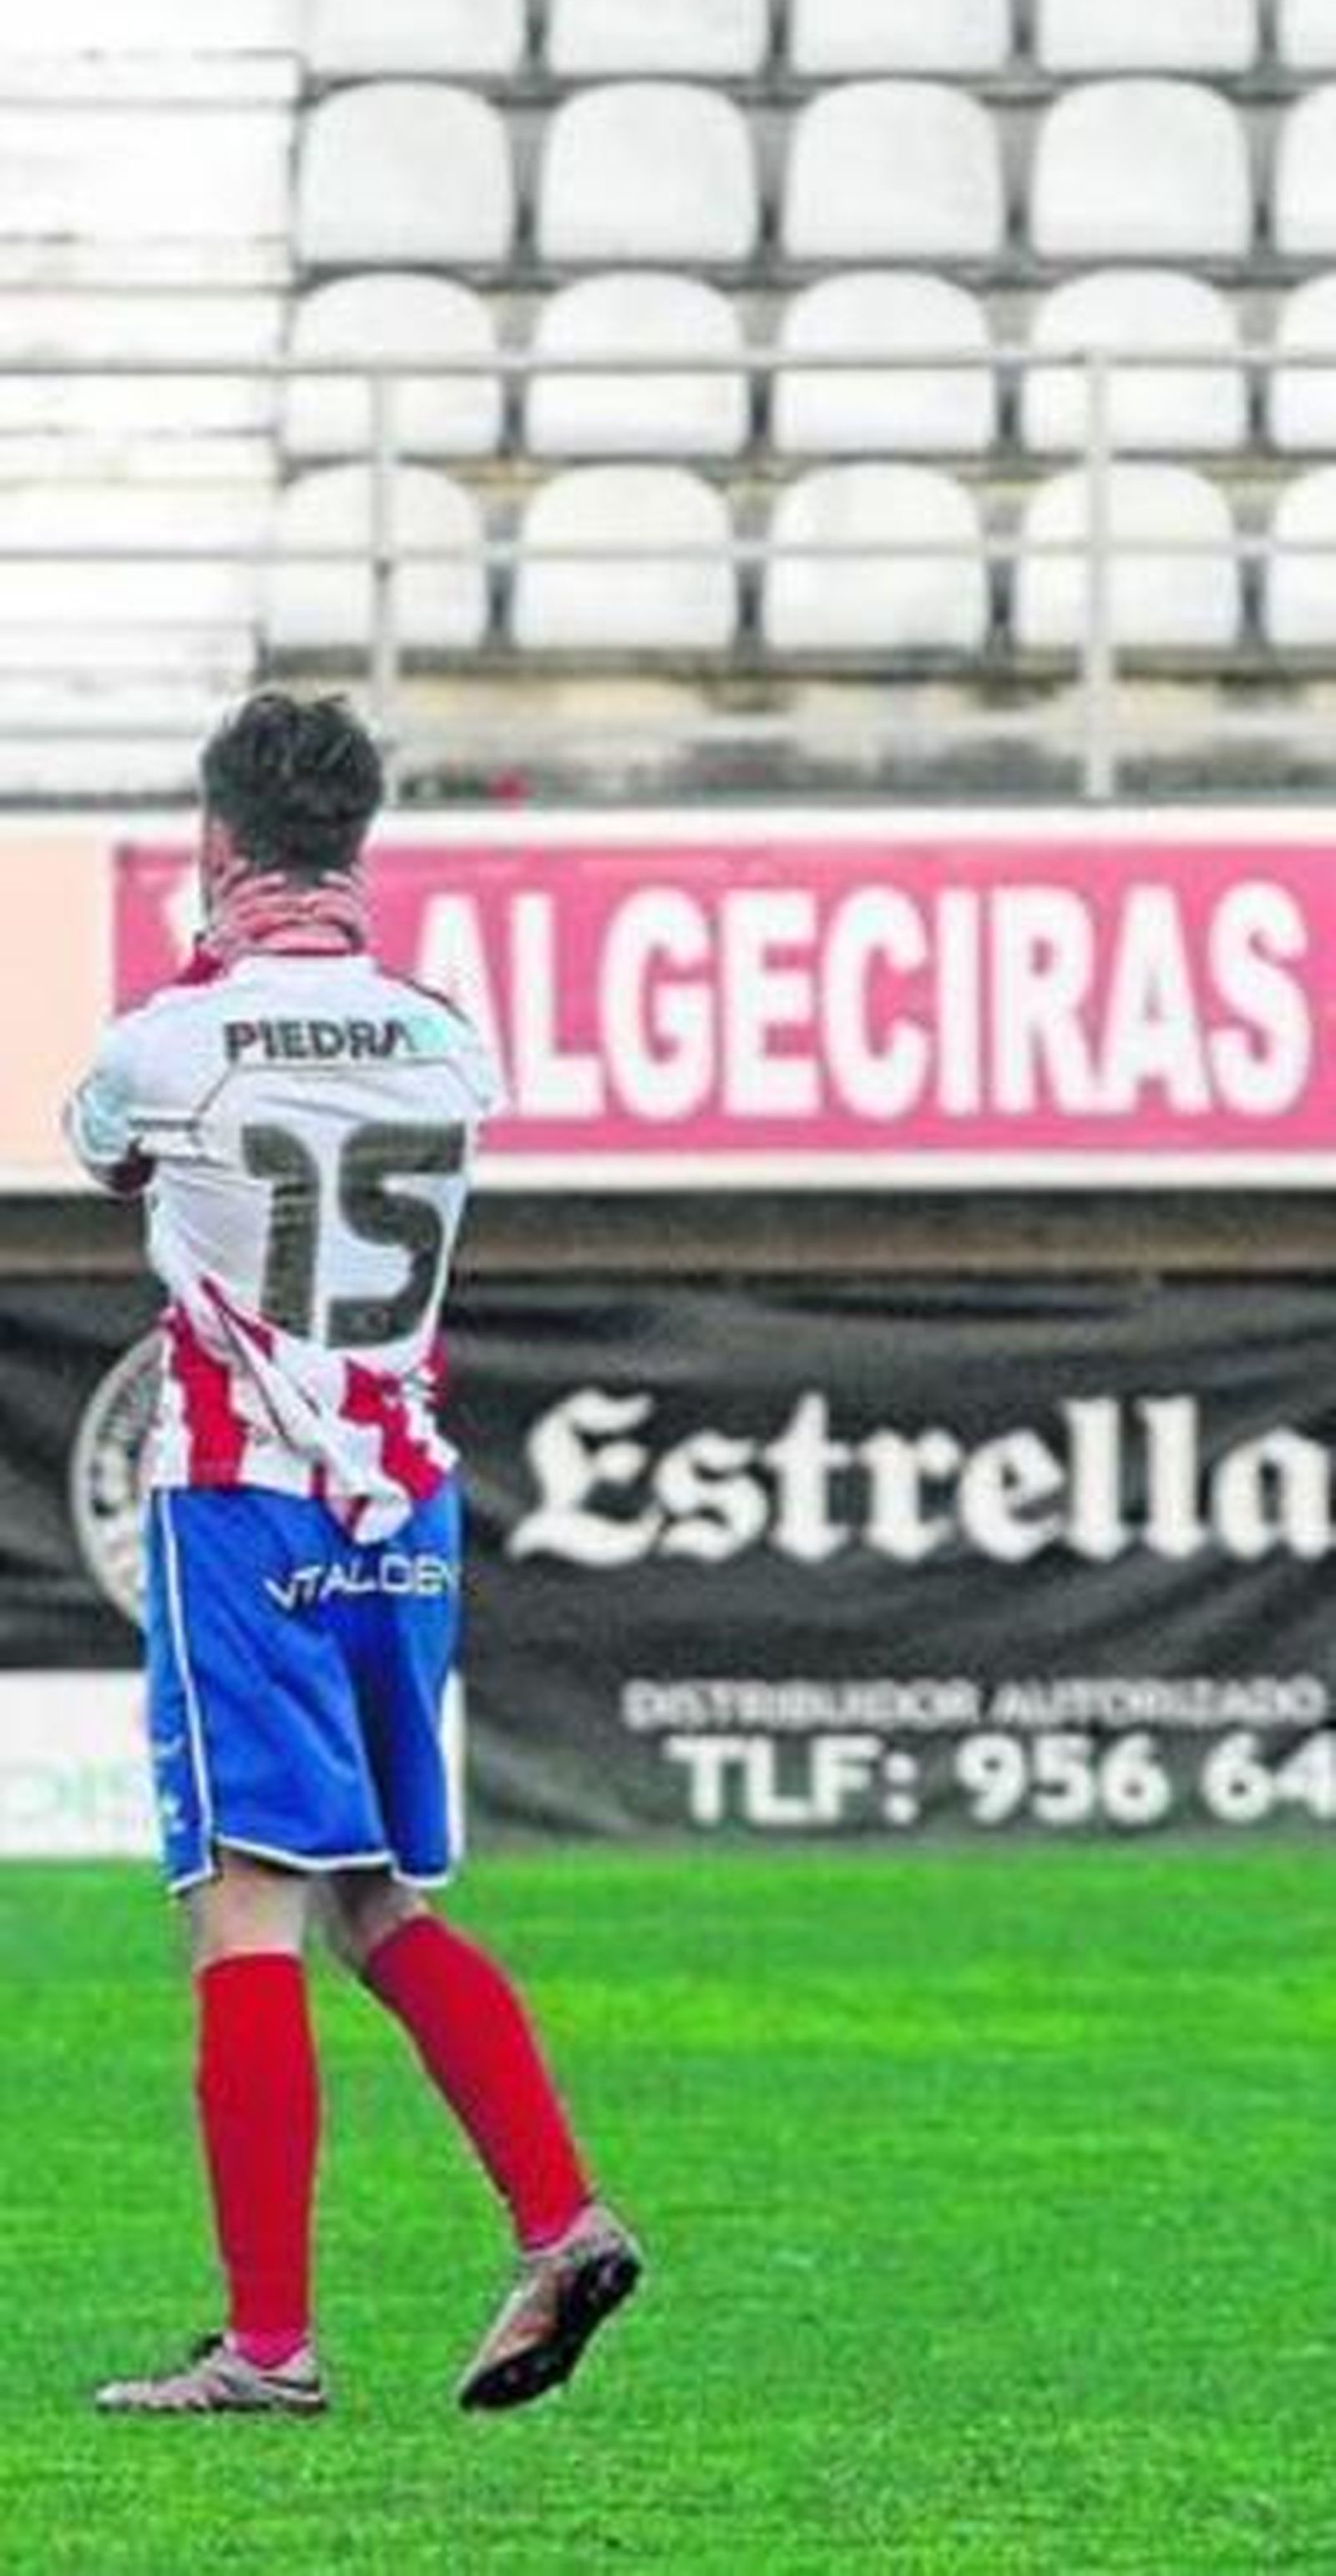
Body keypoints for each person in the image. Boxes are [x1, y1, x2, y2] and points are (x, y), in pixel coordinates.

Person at [63, 689, 641, 2418]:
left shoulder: (171, 1038)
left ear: (217, 842)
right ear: (359, 842)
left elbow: (107, 1156)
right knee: (382, 1900)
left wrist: (208, 974)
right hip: (404, 1499)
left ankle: (269, 2346)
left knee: (242, 1901)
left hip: (246, 1495)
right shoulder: (445, 1038)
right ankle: (560, 2217)